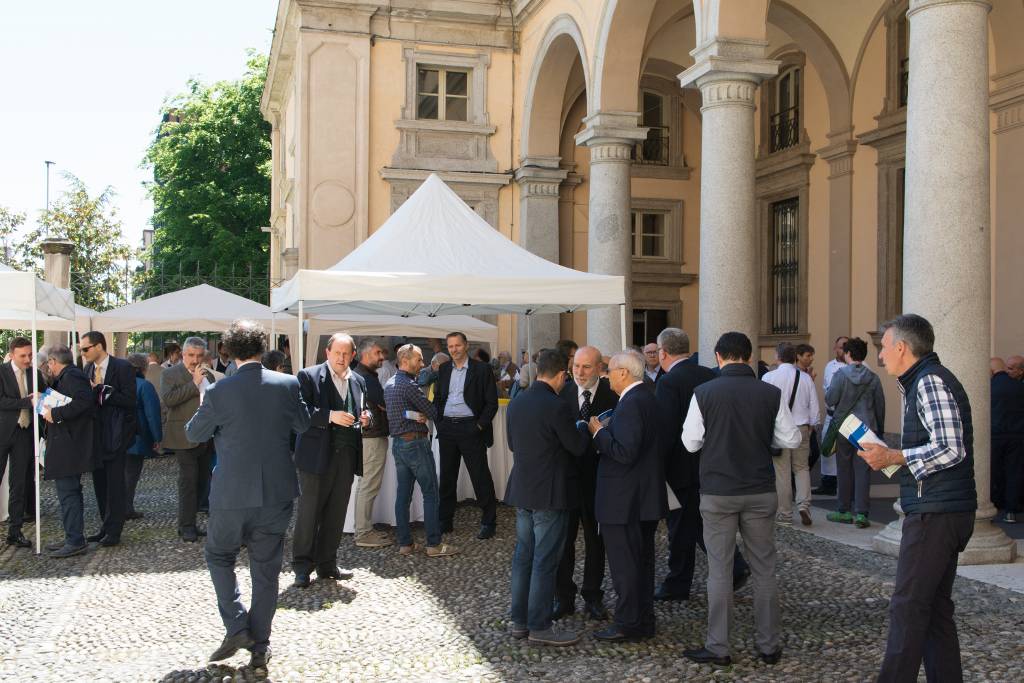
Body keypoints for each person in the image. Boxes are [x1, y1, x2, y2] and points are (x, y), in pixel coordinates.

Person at [185, 320, 311, 670]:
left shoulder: (220, 390)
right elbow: (302, 425)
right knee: (266, 572)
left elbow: (194, 433)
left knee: (219, 557)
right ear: (261, 347)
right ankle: (260, 645)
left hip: (232, 493)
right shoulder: (287, 384)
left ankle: (238, 625)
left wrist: (203, 394)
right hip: (276, 493)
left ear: (228, 352)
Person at [858, 314, 977, 683]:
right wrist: (891, 454)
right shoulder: (920, 382)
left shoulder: (928, 382)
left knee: (908, 606)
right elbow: (934, 446)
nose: (880, 356)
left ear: (901, 348)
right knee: (935, 609)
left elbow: (951, 448)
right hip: (941, 508)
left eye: (883, 347)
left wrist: (894, 457)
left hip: (936, 513)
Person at [680, 331, 801, 667]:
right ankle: (768, 645)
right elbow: (790, 438)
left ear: (719, 356)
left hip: (719, 491)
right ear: (748, 357)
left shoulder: (703, 393)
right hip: (760, 490)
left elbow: (691, 442)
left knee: (719, 571)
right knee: (764, 569)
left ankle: (718, 646)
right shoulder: (770, 392)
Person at [653, 328, 750, 603]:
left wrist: (658, 466)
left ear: (663, 353)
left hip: (682, 467)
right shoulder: (710, 374)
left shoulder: (669, 383)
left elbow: (667, 430)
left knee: (681, 528)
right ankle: (736, 566)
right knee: (701, 525)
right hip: (712, 464)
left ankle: (678, 582)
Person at [506, 347, 590, 646]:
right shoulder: (557, 406)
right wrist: (583, 427)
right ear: (562, 375)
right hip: (551, 492)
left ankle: (519, 621)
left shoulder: (517, 401)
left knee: (523, 558)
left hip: (523, 489)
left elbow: (513, 444)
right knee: (544, 561)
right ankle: (539, 626)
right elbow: (577, 447)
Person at [587, 350, 667, 642]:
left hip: (624, 499)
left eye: (609, 370)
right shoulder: (646, 397)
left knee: (626, 565)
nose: (606, 376)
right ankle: (642, 620)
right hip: (639, 497)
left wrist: (598, 433)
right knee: (640, 562)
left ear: (624, 373)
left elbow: (625, 451)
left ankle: (628, 623)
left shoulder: (634, 402)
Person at [291, 332, 370, 587]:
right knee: (309, 513)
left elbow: (362, 410)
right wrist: (329, 416)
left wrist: (367, 417)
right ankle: (302, 566)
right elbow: (299, 413)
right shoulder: (308, 376)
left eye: (346, 353)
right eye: (337, 352)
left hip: (346, 455)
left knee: (336, 512)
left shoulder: (358, 381)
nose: (341, 357)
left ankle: (327, 564)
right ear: (327, 353)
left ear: (353, 355)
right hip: (315, 456)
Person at [554, 346, 616, 621]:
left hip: (599, 480)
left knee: (595, 540)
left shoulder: (612, 394)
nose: (579, 372)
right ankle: (564, 597)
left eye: (586, 367)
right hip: (566, 480)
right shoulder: (561, 394)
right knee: (563, 541)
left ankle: (593, 595)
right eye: (576, 366)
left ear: (599, 368)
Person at [384, 343, 458, 557]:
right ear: (405, 361)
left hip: (398, 444)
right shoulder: (409, 385)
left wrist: (416, 414)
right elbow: (433, 411)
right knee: (431, 494)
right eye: (419, 359)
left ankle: (405, 544)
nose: (423, 364)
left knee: (403, 495)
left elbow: (401, 412)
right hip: (416, 444)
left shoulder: (390, 383)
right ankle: (434, 544)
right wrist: (423, 413)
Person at [433, 331, 498, 538]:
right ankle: (445, 521)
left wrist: (479, 426)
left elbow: (491, 403)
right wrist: (440, 423)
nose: (454, 350)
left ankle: (489, 521)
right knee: (447, 477)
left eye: (457, 345)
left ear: (466, 345)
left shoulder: (481, 369)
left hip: (471, 428)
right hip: (448, 429)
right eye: (450, 346)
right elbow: (438, 399)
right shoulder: (443, 369)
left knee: (480, 476)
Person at [80, 331, 137, 547]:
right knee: (99, 483)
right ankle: (105, 526)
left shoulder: (122, 367)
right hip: (95, 435)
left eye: (85, 349)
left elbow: (130, 400)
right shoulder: (87, 369)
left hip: (117, 434)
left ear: (99, 347)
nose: (83, 353)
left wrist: (103, 391)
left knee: (115, 484)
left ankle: (115, 530)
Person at [39, 345, 96, 557]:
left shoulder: (72, 376)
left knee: (69, 493)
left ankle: (75, 540)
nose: (47, 367)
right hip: (67, 443)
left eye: (48, 363)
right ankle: (73, 537)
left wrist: (56, 413)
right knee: (69, 493)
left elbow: (84, 403)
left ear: (53, 361)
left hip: (70, 445)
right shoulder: (68, 375)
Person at [824, 337, 884, 528]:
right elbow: (880, 406)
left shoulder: (840, 375)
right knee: (863, 470)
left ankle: (843, 510)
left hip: (845, 426)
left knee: (844, 468)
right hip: (866, 428)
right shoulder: (873, 378)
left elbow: (830, 399)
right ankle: (862, 513)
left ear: (848, 354)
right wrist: (879, 431)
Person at [161, 337, 216, 543]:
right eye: (191, 355)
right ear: (183, 355)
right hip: (183, 436)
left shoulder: (208, 373)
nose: (195, 360)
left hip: (206, 436)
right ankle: (186, 526)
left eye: (199, 356)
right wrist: (193, 383)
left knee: (202, 481)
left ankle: (191, 522)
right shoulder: (170, 373)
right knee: (188, 482)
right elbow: (168, 400)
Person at [762, 343, 820, 526]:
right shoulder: (805, 378)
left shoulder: (768, 377)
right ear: (795, 357)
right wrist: (812, 426)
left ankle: (785, 513)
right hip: (801, 427)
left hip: (780, 429)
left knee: (782, 473)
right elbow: (814, 407)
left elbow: (763, 407)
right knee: (801, 468)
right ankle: (804, 505)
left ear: (777, 356)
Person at [0, 337, 46, 548]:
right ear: (12, 355)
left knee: (19, 484)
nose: (28, 359)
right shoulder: (1, 372)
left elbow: (43, 399)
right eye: (23, 356)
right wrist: (26, 401)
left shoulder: (35, 373)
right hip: (2, 432)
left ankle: (15, 531)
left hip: (24, 433)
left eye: (30, 355)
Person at [351, 339, 392, 548]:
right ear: (366, 355)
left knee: (365, 485)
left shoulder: (362, 374)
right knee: (368, 485)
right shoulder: (366, 377)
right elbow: (383, 403)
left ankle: (363, 528)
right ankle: (363, 533)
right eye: (378, 353)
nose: (382, 357)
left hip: (369, 436)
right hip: (372, 437)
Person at [125, 353, 162, 521]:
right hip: (137, 437)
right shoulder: (144, 386)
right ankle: (126, 508)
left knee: (120, 475)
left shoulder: (119, 384)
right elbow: (152, 415)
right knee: (131, 475)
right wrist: (157, 437)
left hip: (118, 438)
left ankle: (120, 507)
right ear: (143, 368)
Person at [815, 336, 849, 496]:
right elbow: (827, 388)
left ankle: (847, 485)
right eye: (841, 347)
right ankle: (828, 482)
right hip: (832, 415)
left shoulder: (860, 366)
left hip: (849, 417)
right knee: (827, 449)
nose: (844, 350)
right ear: (835, 349)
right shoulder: (830, 366)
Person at [993, 355, 1024, 521]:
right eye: (1007, 368)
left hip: (998, 435)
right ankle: (1011, 509)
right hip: (1017, 436)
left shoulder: (993, 386)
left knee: (996, 471)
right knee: (1014, 472)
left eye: (1011, 369)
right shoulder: (1018, 387)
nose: (1007, 371)